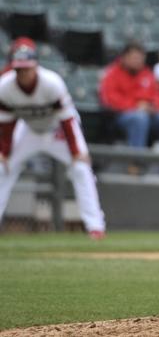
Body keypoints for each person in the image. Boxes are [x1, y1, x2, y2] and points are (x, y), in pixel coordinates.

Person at [0, 38, 105, 238]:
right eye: (19, 69)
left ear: (36, 66)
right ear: (14, 69)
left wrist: (76, 152)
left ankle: (95, 227)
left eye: (27, 69)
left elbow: (67, 120)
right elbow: (6, 124)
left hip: (57, 130)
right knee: (2, 168)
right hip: (28, 130)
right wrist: (4, 152)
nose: (24, 73)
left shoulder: (51, 82)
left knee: (81, 168)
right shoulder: (5, 87)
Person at [99, 42, 159, 151]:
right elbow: (110, 99)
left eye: (141, 58)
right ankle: (136, 162)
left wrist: (153, 106)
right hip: (122, 116)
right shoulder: (112, 73)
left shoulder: (146, 73)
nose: (138, 61)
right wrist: (136, 106)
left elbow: (158, 96)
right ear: (124, 57)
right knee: (139, 118)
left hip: (148, 114)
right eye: (135, 58)